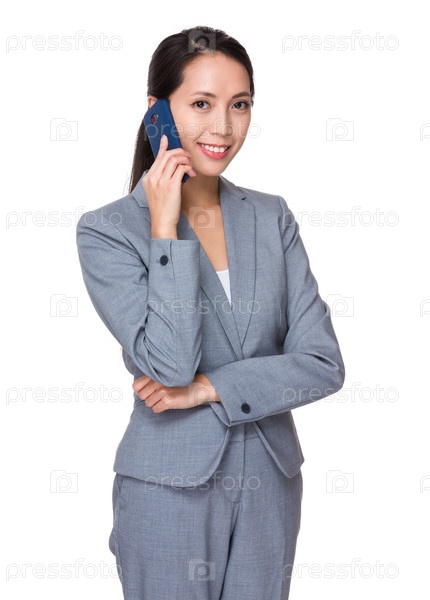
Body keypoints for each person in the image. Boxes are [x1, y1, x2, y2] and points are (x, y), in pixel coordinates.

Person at [76, 25, 345, 600]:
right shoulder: (108, 231)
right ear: (157, 113)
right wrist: (164, 226)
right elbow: (171, 365)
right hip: (167, 487)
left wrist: (210, 389)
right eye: (202, 104)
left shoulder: (271, 217)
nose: (223, 127)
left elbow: (323, 364)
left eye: (239, 105)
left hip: (271, 483)